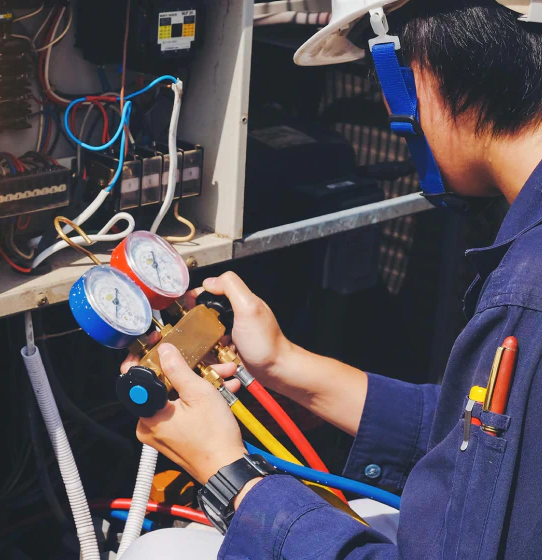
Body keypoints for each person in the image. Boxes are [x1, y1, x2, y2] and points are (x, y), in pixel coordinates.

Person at [121, 0, 542, 557]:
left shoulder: (526, 299)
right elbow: (481, 445)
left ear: (412, 75)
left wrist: (228, 478)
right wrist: (281, 362)